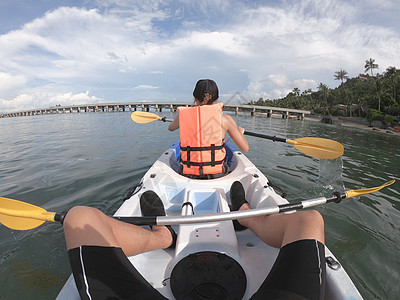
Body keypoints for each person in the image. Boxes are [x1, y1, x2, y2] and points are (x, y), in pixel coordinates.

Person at [63, 182, 326, 300]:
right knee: (309, 220)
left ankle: (163, 235)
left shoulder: (186, 115)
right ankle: (246, 216)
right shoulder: (223, 118)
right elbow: (242, 147)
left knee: (79, 217)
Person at [168, 79, 249, 179]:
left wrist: (180, 119)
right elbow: (245, 148)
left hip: (188, 174)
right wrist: (239, 132)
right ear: (216, 99)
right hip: (218, 174)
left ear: (194, 97)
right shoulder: (225, 119)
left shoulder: (181, 117)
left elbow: (170, 128)